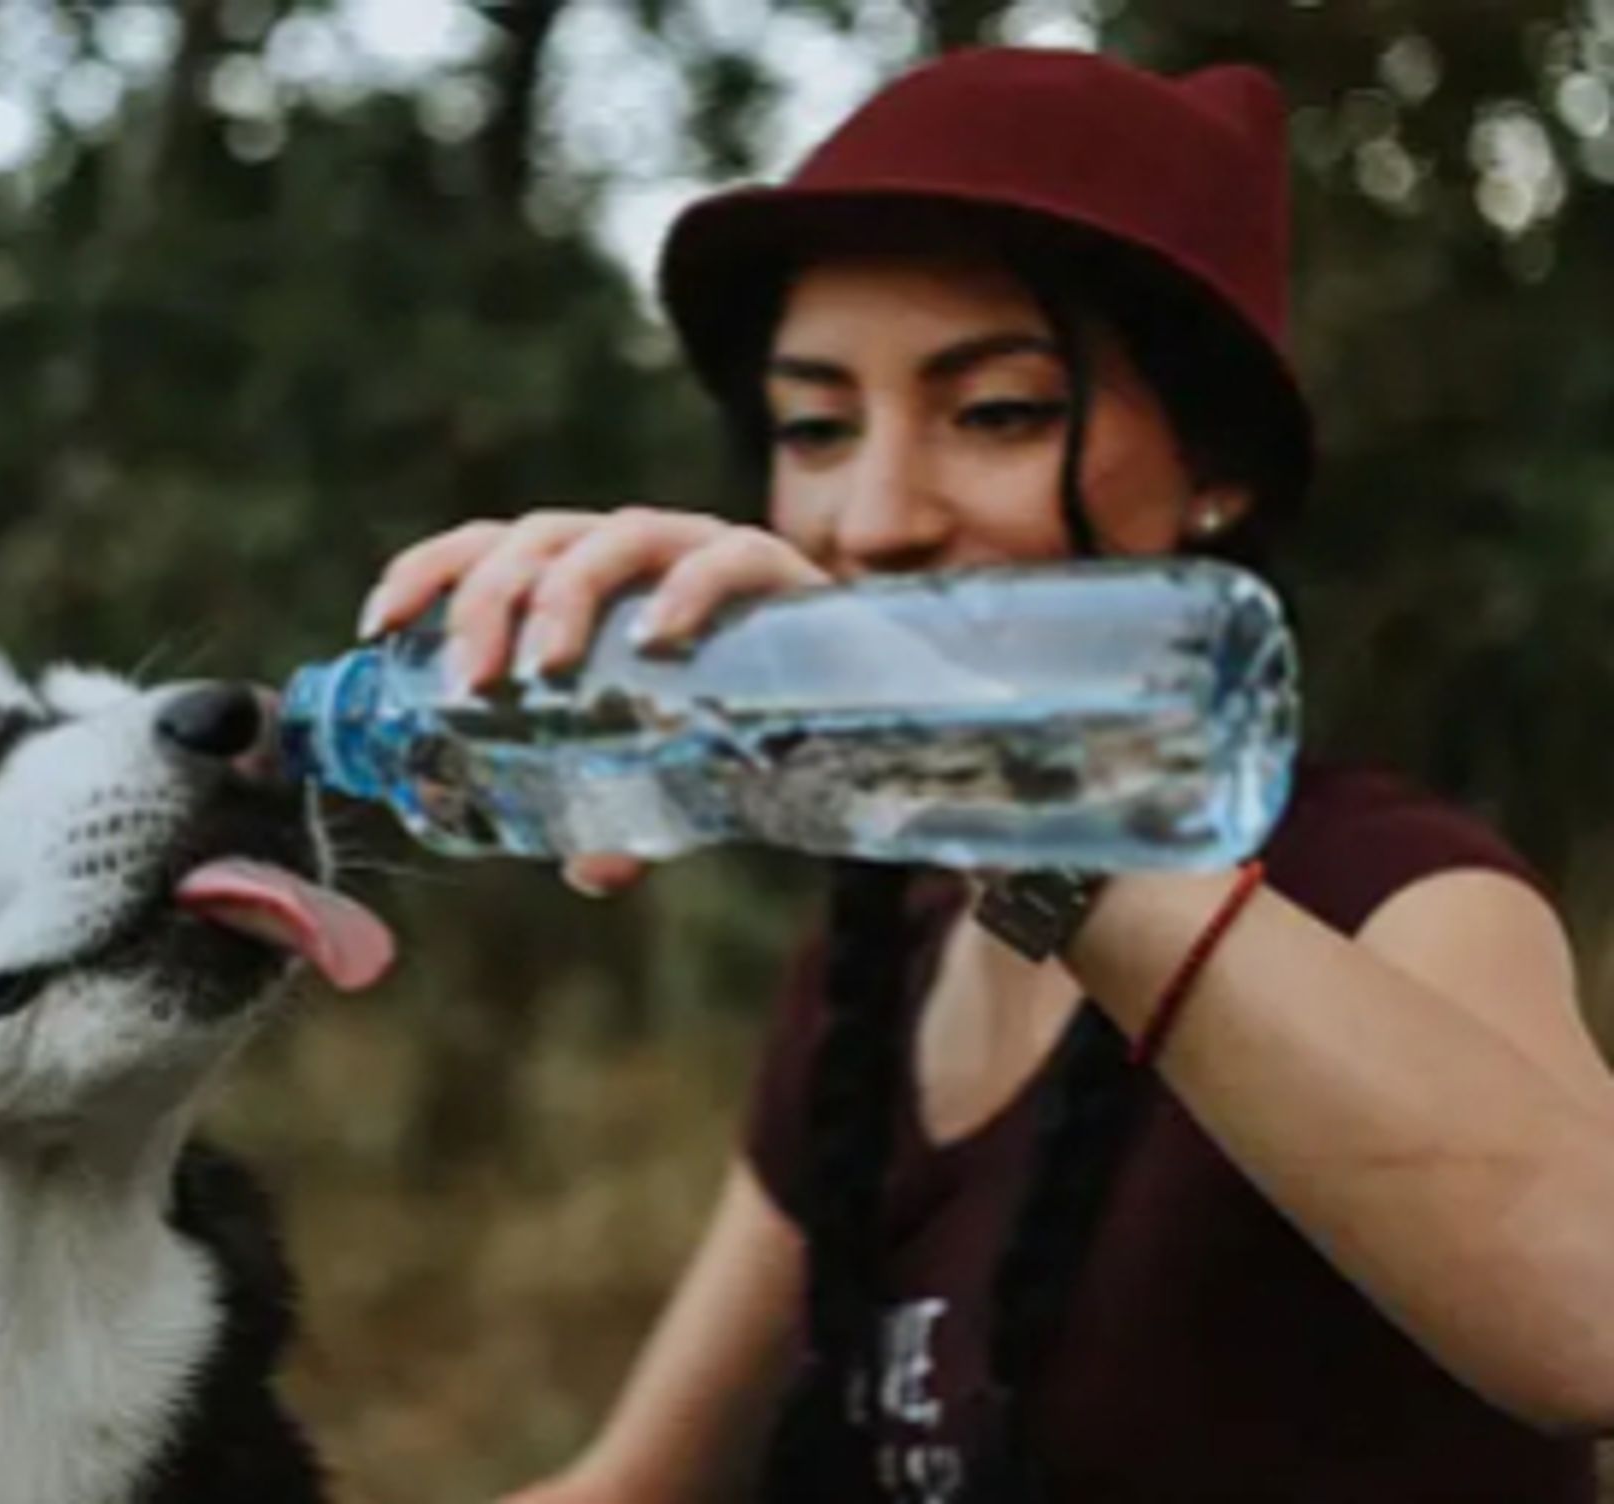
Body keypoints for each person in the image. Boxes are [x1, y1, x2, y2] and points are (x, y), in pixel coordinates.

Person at [360, 47, 1614, 1502]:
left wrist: (985, 787)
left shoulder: (1390, 887)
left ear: (1215, 465)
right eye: (815, 428)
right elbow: (634, 1486)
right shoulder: (878, 954)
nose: (875, 518)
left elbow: (1592, 1321)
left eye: (1000, 412)